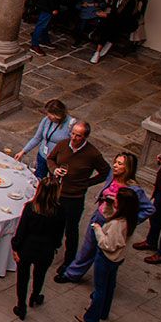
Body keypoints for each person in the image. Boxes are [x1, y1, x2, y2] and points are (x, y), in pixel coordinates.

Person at [59, 151, 153, 283]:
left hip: (112, 225)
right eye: (115, 162)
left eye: (119, 164)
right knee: (87, 248)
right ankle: (72, 274)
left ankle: (101, 284)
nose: (115, 165)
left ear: (128, 168)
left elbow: (149, 209)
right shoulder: (111, 176)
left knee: (103, 253)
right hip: (99, 216)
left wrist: (129, 220)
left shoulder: (134, 189)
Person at [47, 120, 110, 281]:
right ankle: (52, 248)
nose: (74, 138)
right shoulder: (63, 144)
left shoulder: (93, 154)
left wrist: (86, 183)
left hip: (74, 198)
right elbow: (50, 158)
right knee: (54, 223)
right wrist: (54, 170)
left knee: (71, 230)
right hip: (58, 193)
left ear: (85, 137)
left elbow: (105, 172)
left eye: (78, 136)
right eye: (73, 134)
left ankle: (68, 262)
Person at [78, 187, 139, 322]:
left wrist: (97, 229)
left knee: (100, 289)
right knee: (109, 286)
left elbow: (107, 244)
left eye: (117, 199)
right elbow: (110, 218)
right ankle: (103, 312)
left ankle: (91, 318)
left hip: (106, 258)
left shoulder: (118, 224)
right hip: (117, 259)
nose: (114, 199)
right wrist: (109, 205)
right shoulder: (129, 219)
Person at [9, 175, 64, 320]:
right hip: (46, 250)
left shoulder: (30, 208)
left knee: (23, 278)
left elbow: (21, 231)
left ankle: (21, 306)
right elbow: (59, 235)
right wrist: (55, 246)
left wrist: (15, 247)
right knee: (40, 275)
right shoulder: (59, 212)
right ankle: (34, 296)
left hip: (27, 248)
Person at [16, 99, 75, 179]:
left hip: (56, 160)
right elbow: (37, 138)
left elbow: (73, 145)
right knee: (38, 178)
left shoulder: (71, 124)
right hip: (43, 155)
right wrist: (23, 151)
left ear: (57, 115)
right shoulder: (46, 120)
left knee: (54, 181)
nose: (48, 116)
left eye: (50, 115)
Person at [90, 0, 140, 64]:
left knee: (110, 25)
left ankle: (98, 50)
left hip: (126, 22)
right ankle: (106, 43)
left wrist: (106, 15)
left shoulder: (131, 1)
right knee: (109, 24)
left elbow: (123, 17)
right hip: (114, 18)